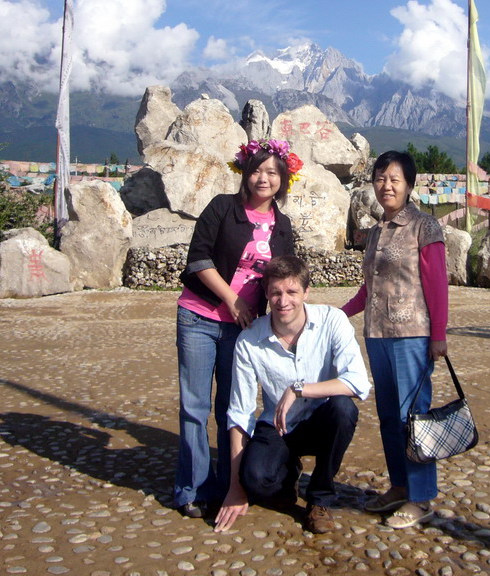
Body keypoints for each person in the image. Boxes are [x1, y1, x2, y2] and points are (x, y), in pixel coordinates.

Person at [172, 139, 301, 518]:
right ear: (245, 172)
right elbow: (198, 258)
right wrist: (232, 299)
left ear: (283, 180)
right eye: (258, 170)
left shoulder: (283, 225)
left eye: (273, 172)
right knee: (194, 406)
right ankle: (192, 489)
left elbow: (286, 278)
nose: (264, 178)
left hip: (243, 330)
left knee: (232, 408)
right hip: (198, 317)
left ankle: (229, 483)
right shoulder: (222, 208)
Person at [214, 255, 371, 534]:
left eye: (291, 292)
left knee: (343, 409)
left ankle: (319, 498)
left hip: (321, 420)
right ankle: (287, 473)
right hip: (277, 425)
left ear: (306, 292)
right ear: (266, 294)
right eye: (275, 292)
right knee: (256, 481)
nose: (283, 301)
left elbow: (358, 382)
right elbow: (239, 412)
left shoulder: (332, 321)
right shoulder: (250, 339)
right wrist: (236, 487)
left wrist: (299, 389)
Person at [341, 150, 448, 529]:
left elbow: (437, 285)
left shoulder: (425, 227)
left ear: (409, 185)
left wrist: (439, 335)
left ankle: (421, 498)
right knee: (389, 417)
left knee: (413, 419)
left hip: (413, 336)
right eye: (381, 178)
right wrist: (337, 314)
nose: (386, 185)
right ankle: (400, 486)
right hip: (377, 336)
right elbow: (369, 288)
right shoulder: (375, 233)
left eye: (395, 179)